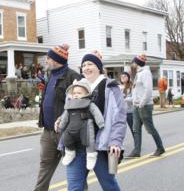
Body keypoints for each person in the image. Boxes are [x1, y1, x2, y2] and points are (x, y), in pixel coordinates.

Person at [59, 50, 126, 191]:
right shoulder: (76, 87)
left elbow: (119, 118)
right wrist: (60, 120)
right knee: (74, 187)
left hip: (99, 146)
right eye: (83, 65)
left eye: (90, 64)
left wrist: (115, 141)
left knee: (109, 186)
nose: (86, 68)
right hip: (75, 146)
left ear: (98, 67)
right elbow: (69, 111)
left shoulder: (110, 87)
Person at [34, 44, 81, 191]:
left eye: (48, 58)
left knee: (74, 170)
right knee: (44, 168)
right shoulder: (50, 76)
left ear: (56, 60)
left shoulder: (73, 77)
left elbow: (80, 105)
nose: (46, 60)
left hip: (66, 132)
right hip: (48, 132)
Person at [56, 79, 105, 170]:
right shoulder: (69, 105)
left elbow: (96, 113)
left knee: (89, 141)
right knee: (66, 139)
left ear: (86, 93)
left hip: (85, 127)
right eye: (74, 93)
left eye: (79, 93)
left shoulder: (89, 104)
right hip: (70, 128)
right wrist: (61, 126)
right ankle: (70, 152)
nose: (76, 95)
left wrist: (101, 123)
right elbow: (65, 117)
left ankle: (91, 156)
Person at [127, 55, 165, 158]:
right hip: (136, 106)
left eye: (133, 62)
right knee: (136, 129)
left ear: (137, 63)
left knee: (150, 128)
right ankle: (136, 151)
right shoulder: (137, 74)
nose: (131, 64)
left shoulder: (146, 73)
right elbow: (136, 91)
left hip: (144, 106)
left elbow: (148, 90)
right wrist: (133, 101)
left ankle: (160, 148)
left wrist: (141, 103)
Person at [120, 71, 134, 137]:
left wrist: (126, 99)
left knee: (133, 129)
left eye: (125, 76)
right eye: (121, 76)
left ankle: (137, 145)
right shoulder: (120, 87)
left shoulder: (131, 87)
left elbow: (134, 98)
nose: (123, 77)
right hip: (121, 113)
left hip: (130, 112)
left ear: (128, 77)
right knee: (120, 130)